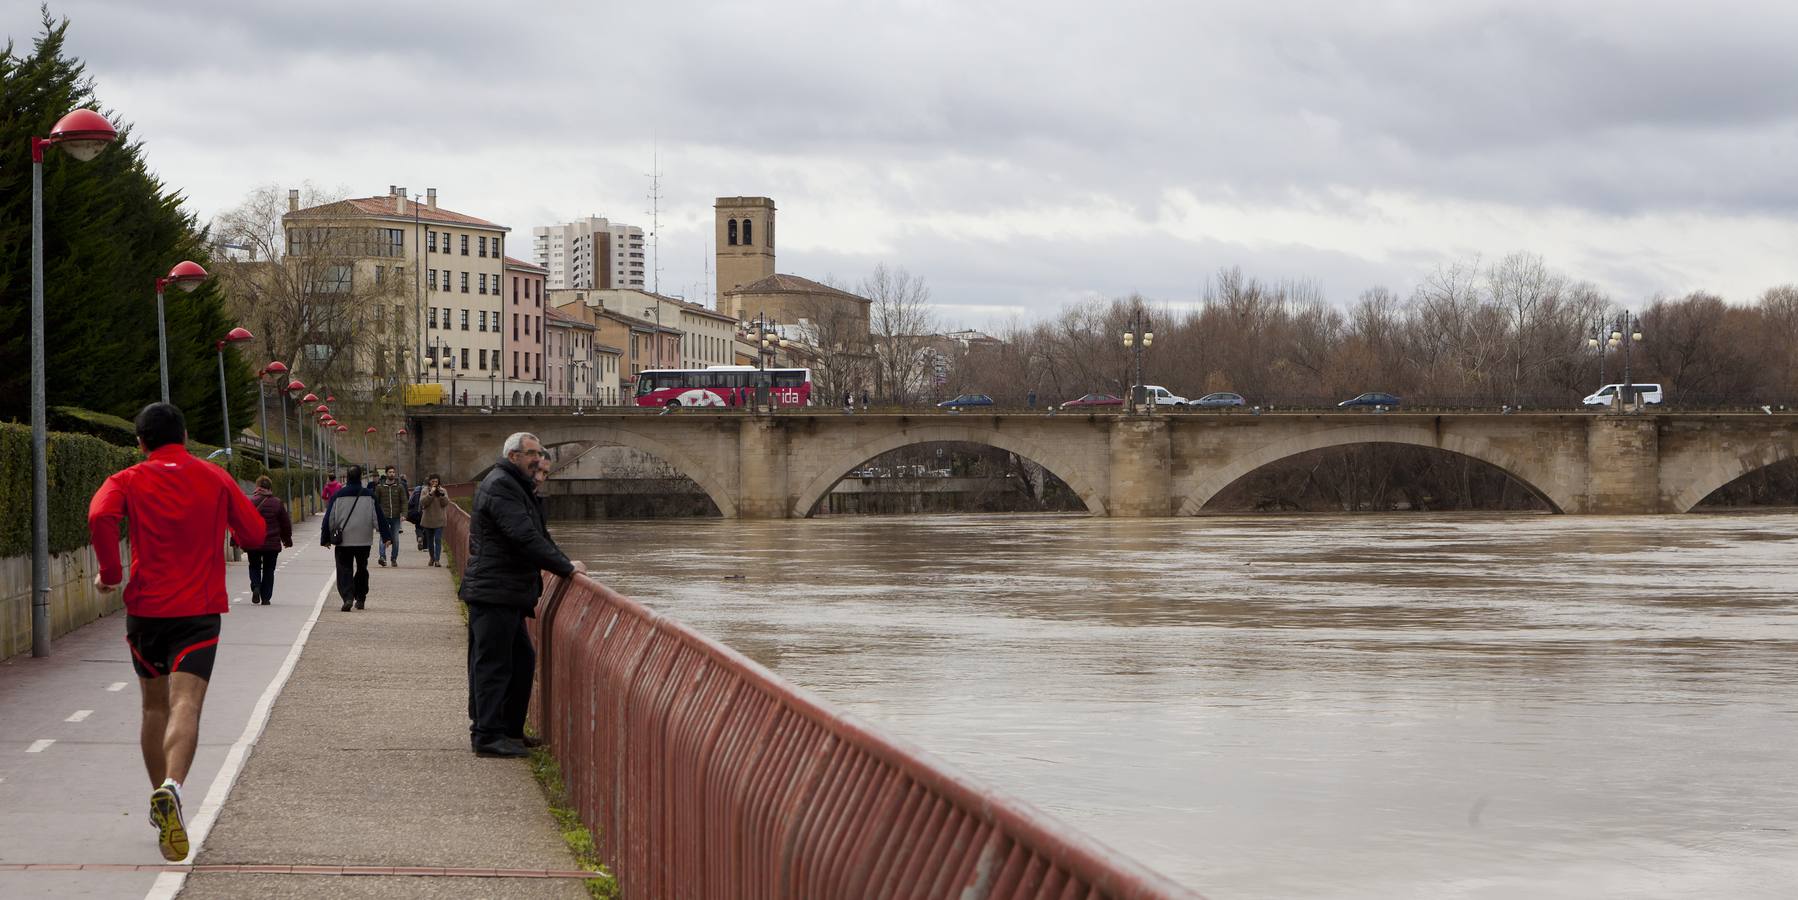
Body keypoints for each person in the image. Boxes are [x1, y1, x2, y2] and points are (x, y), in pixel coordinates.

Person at [86, 402, 266, 862]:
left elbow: (100, 516)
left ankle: (163, 805)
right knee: (187, 703)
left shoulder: (126, 479)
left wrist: (110, 571)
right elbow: (254, 532)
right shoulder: (215, 476)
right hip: (198, 613)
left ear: (140, 442)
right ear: (185, 437)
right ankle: (173, 788)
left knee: (152, 708)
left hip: (145, 611)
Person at [458, 432, 585, 758]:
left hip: (506, 591)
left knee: (521, 661)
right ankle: (487, 736)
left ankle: (509, 731)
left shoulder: (516, 486)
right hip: (494, 590)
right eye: (532, 453)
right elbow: (524, 537)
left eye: (540, 453)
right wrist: (566, 569)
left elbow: (539, 535)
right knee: (494, 666)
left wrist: (565, 561)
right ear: (513, 455)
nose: (538, 458)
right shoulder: (501, 485)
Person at [321, 465, 390, 612]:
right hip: (364, 540)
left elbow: (329, 518)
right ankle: (360, 598)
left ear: (347, 476)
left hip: (344, 541)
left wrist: (326, 538)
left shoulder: (338, 495)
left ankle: (348, 597)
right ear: (360, 477)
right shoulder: (369, 495)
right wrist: (386, 536)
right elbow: (378, 517)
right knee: (361, 568)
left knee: (344, 568)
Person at [241, 475, 293, 605]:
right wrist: (287, 540)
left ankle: (256, 586)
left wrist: (237, 540)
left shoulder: (250, 502)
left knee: (254, 566)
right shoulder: (277, 503)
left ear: (257, 487)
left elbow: (242, 522)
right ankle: (266, 597)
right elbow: (285, 524)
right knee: (269, 569)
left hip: (254, 542)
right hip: (272, 543)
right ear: (270, 488)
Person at [374, 465, 409, 567]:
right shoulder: (380, 487)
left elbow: (404, 502)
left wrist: (404, 514)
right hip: (384, 517)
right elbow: (376, 502)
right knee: (383, 537)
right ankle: (382, 557)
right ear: (386, 474)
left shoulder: (399, 487)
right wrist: (377, 515)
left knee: (395, 539)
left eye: (393, 472)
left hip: (396, 517)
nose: (392, 474)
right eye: (390, 472)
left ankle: (394, 558)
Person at [417, 474, 451, 567]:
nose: (434, 483)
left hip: (440, 519)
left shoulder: (443, 490)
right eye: (433, 482)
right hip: (428, 519)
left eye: (436, 482)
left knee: (438, 539)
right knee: (430, 541)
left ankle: (437, 560)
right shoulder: (425, 490)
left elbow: (445, 503)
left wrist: (441, 495)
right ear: (429, 482)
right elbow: (422, 502)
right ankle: (432, 557)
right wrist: (431, 494)